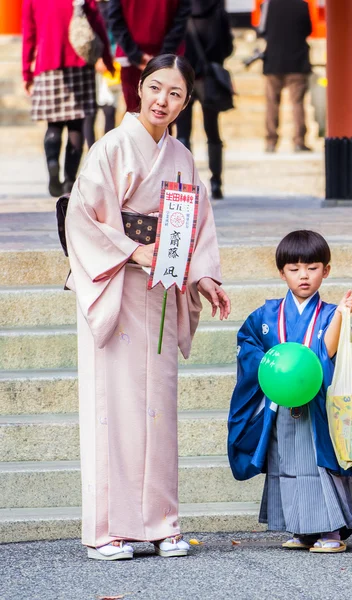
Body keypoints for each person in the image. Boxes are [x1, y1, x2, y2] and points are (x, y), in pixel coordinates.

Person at [65, 54, 231, 561]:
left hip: (162, 288)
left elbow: (194, 222)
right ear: (139, 88)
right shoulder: (110, 148)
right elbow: (82, 216)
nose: (163, 100)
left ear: (186, 101)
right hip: (114, 285)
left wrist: (202, 274)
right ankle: (106, 529)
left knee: (159, 411)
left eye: (175, 93)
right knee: (112, 409)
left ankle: (161, 523)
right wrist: (131, 250)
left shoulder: (181, 155)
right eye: (155, 88)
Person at [228, 230, 352, 554]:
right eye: (294, 268)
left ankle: (330, 530)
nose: (304, 275)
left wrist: (344, 314)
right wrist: (270, 365)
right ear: (281, 272)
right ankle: (301, 529)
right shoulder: (266, 316)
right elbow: (247, 345)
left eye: (313, 267)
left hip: (317, 408)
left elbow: (327, 352)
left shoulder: (331, 313)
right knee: (287, 465)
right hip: (282, 406)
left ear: (326, 270)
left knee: (319, 466)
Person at [22, 0, 114, 197]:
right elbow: (97, 25)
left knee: (53, 125)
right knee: (76, 125)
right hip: (80, 64)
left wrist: (26, 73)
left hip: (48, 65)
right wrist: (107, 59)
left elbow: (29, 35)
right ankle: (69, 182)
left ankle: (53, 164)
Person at [176, 0, 234, 200]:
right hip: (209, 78)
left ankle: (184, 181)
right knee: (212, 130)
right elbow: (228, 47)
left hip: (183, 76)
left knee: (183, 132)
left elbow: (174, 40)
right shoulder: (218, 10)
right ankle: (216, 182)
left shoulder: (181, 9)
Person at [108, 0, 191, 112]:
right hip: (157, 55)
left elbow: (114, 17)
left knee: (137, 112)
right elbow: (181, 18)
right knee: (162, 112)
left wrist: (136, 54)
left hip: (137, 55)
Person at [262, 0, 313, 153]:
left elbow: (262, 30)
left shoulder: (268, 5)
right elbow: (307, 30)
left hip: (274, 61)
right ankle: (299, 141)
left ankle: (271, 142)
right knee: (297, 103)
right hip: (297, 61)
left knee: (272, 103)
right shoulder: (302, 5)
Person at [83, 0, 121, 148]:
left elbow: (118, 34)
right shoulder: (86, 7)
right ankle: (92, 152)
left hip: (111, 64)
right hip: (89, 65)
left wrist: (109, 58)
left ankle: (107, 151)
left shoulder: (114, 5)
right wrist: (97, 59)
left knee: (110, 110)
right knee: (89, 113)